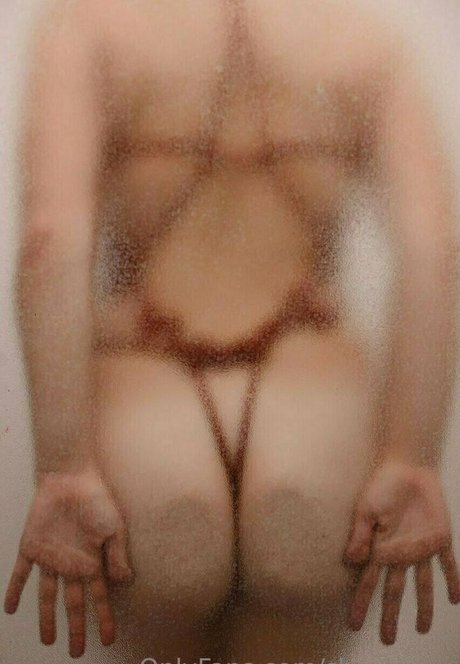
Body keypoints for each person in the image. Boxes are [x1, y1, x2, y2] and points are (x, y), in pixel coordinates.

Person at [4, 0, 460, 661]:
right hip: (312, 414)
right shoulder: (364, 40)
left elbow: (49, 242)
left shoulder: (88, 25)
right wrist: (412, 457)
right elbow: (434, 250)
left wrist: (63, 467)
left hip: (148, 417)